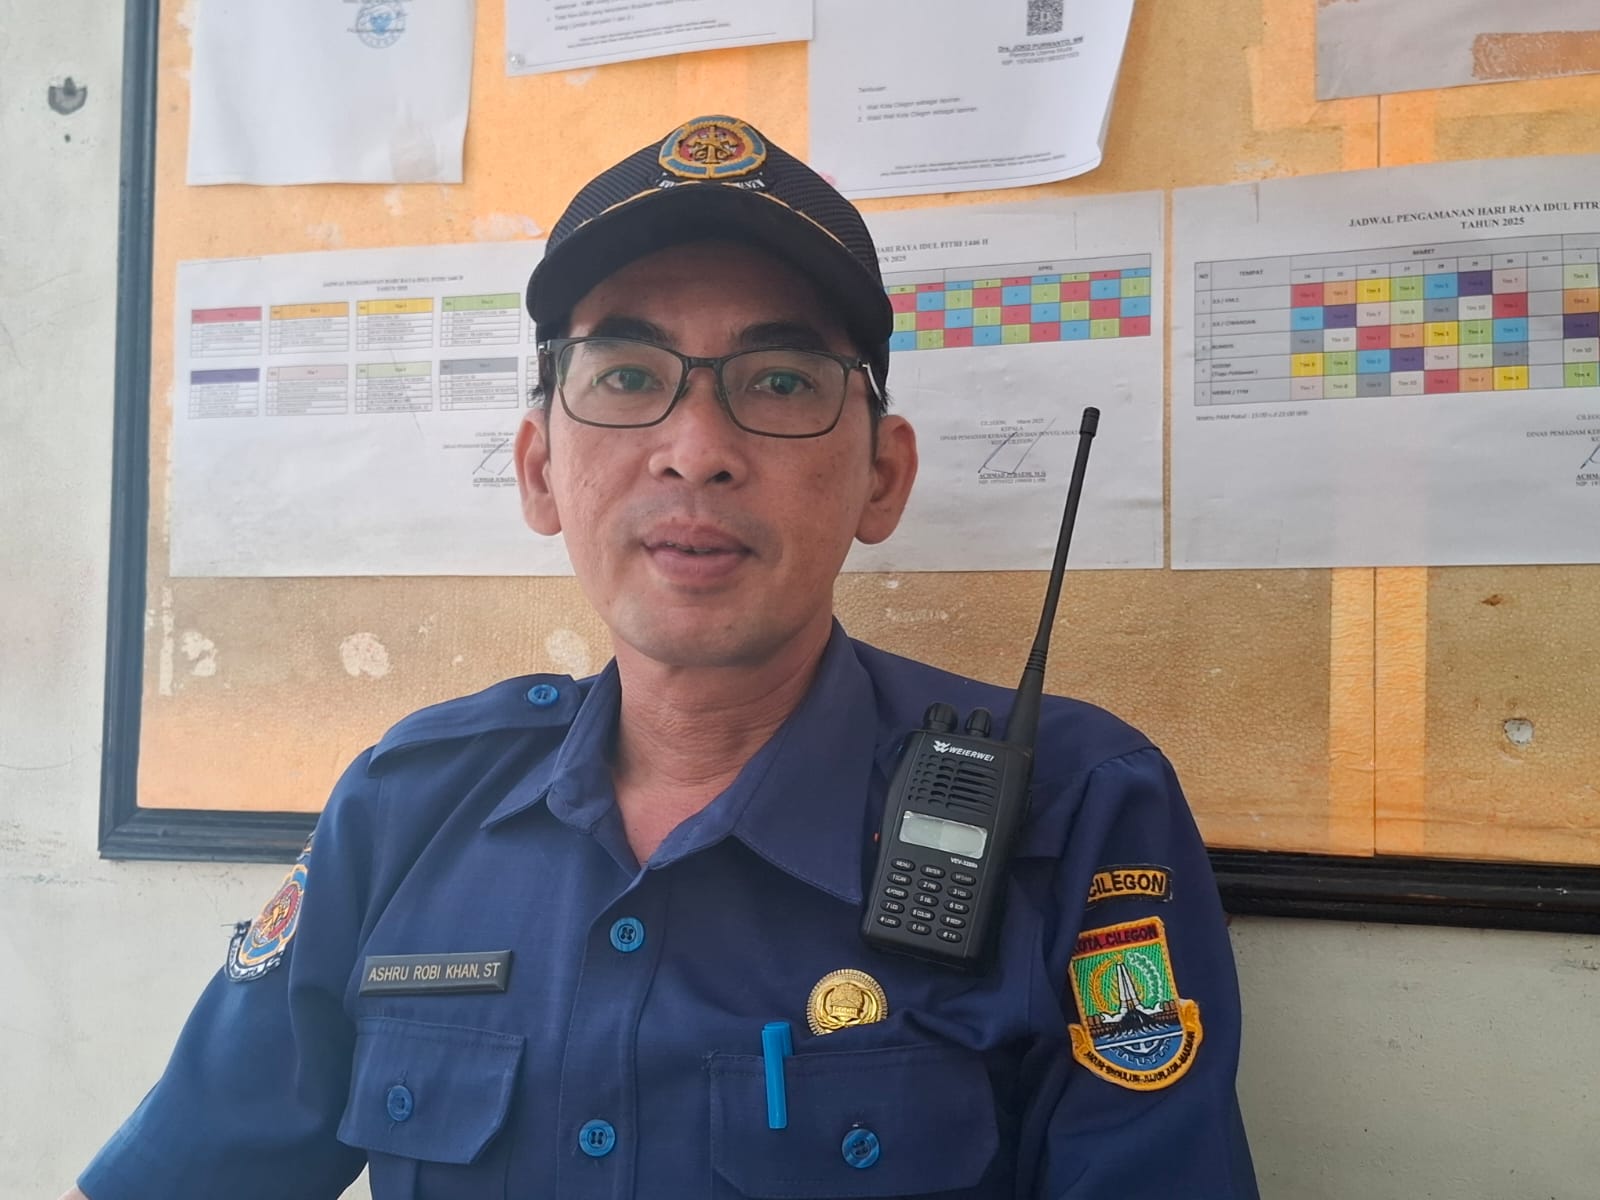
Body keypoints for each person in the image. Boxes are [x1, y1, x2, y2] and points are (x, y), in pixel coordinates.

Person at [67, 115, 1258, 1199]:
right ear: (539, 469)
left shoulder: (1074, 811)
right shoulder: (408, 806)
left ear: (882, 477)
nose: (696, 450)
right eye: (629, 376)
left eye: (778, 382)